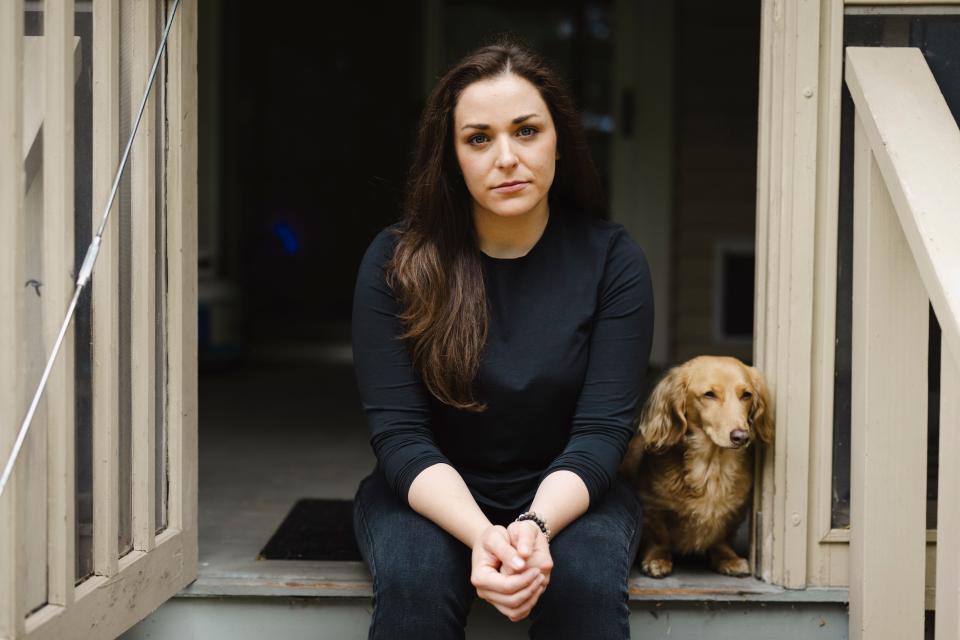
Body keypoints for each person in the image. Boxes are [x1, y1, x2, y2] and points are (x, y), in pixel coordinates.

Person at [350, 35, 655, 639]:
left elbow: (601, 434)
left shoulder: (612, 260)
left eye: (526, 131)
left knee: (584, 588)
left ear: (559, 141)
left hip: (572, 492)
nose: (507, 157)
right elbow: (400, 435)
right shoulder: (396, 260)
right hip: (429, 492)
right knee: (417, 583)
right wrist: (484, 534)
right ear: (450, 155)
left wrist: (534, 527)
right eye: (479, 138)